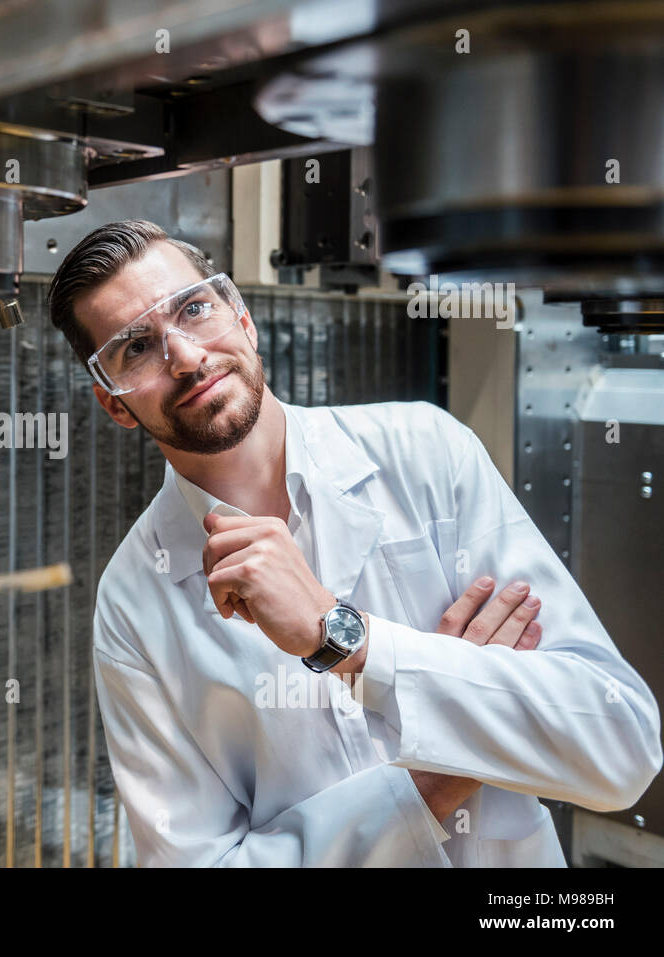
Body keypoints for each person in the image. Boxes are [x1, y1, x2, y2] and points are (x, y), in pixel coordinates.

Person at [46, 219, 662, 866]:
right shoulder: (132, 603)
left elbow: (620, 749)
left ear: (243, 317)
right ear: (114, 404)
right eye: (136, 346)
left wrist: (347, 638)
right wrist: (450, 754)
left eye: (194, 309)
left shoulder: (427, 453)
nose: (186, 356)